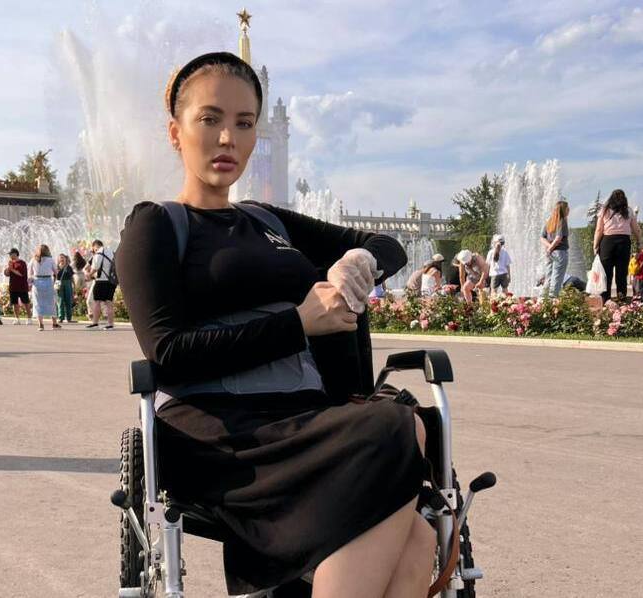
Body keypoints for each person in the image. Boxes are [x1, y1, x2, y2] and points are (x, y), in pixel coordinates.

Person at [116, 52, 432, 598]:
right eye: (210, 119)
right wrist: (299, 323)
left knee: (420, 536)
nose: (227, 139)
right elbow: (168, 352)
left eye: (244, 124)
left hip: (305, 416)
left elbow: (387, 244)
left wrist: (360, 262)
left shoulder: (268, 221)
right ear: (175, 133)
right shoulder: (158, 225)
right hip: (219, 428)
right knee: (396, 430)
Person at [593, 189, 643, 302]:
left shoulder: (604, 211)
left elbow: (599, 229)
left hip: (607, 242)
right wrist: (640, 243)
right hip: (624, 242)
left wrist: (595, 245)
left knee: (606, 272)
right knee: (622, 272)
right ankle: (622, 297)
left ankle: (606, 299)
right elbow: (636, 229)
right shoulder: (628, 211)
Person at [540, 201, 570, 299]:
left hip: (550, 253)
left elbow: (542, 237)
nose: (569, 210)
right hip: (560, 252)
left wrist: (549, 248)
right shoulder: (562, 221)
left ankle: (543, 298)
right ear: (563, 210)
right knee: (557, 277)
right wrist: (551, 248)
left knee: (548, 276)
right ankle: (552, 299)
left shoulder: (549, 221)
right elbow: (558, 238)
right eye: (567, 208)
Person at [86, 239, 116, 330]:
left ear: (95, 246)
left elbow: (95, 268)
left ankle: (95, 323)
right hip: (111, 281)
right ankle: (110, 324)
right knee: (109, 303)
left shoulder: (98, 254)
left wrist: (89, 275)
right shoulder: (111, 252)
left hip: (101, 281)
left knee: (97, 302)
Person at [28, 244, 59, 331]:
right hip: (48, 281)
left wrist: (30, 282)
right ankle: (54, 323)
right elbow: (56, 272)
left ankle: (41, 325)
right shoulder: (50, 260)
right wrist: (57, 282)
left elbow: (29, 273)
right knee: (51, 302)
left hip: (37, 282)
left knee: (38, 303)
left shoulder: (33, 260)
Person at [4, 248, 31, 325]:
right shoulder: (10, 263)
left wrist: (12, 269)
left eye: (11, 254)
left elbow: (21, 274)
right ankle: (17, 319)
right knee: (15, 303)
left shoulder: (22, 263)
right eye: (9, 254)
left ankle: (29, 318)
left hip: (22, 286)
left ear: (15, 254)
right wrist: (9, 268)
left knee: (26, 303)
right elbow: (6, 274)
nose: (10, 256)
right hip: (13, 287)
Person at [55, 253, 75, 323]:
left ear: (65, 259)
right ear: (58, 259)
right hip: (59, 283)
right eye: (60, 257)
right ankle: (61, 317)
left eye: (63, 257)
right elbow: (55, 277)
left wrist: (74, 285)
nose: (62, 259)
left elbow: (71, 277)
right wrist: (55, 286)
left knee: (68, 300)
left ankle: (69, 317)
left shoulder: (68, 267)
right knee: (60, 301)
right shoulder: (57, 267)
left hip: (67, 283)